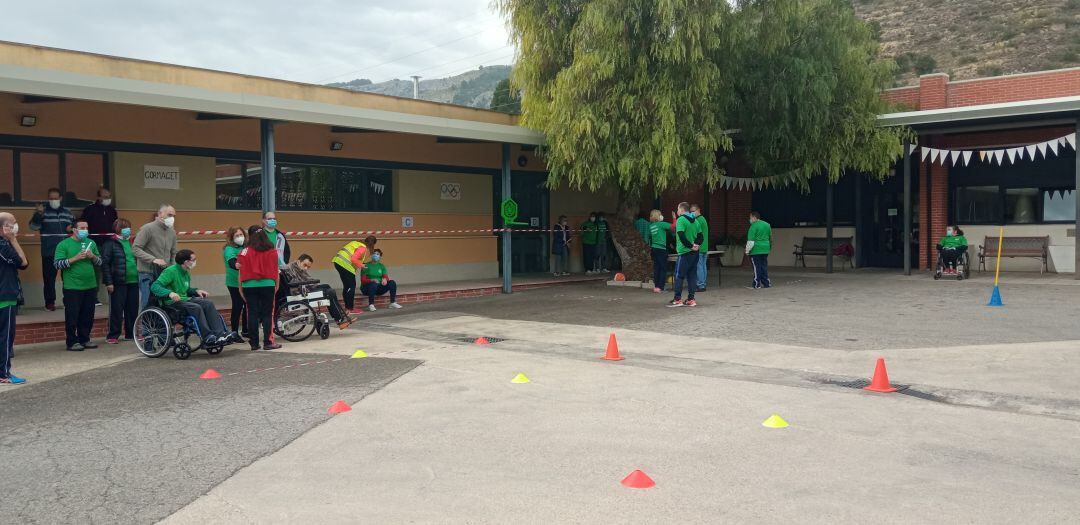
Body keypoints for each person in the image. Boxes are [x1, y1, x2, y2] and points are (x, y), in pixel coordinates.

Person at [151, 249, 237, 347]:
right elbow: (155, 287)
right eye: (193, 259)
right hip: (172, 303)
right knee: (196, 307)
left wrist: (196, 291)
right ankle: (207, 336)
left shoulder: (185, 272)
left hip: (184, 299)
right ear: (186, 262)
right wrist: (170, 293)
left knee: (208, 304)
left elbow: (185, 290)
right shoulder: (170, 271)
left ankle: (220, 335)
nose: (195, 262)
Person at [54, 220, 102, 351]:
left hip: (90, 285)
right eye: (82, 228)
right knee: (72, 315)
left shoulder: (91, 243)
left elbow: (100, 262)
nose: (85, 230)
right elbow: (57, 264)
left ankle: (85, 339)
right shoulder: (63, 244)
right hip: (72, 287)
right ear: (74, 230)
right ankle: (71, 342)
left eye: (86, 227)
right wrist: (74, 258)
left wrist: (92, 257)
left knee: (88, 314)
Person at [29, 187, 74, 310]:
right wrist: (38, 214)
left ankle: (69, 301)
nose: (53, 200)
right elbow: (33, 227)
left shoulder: (67, 212)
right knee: (49, 279)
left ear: (60, 198)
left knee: (69, 278)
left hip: (67, 252)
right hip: (49, 251)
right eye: (51, 198)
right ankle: (50, 303)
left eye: (55, 198)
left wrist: (71, 228)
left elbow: (74, 227)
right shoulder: (43, 211)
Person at [237, 226, 281, 351]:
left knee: (252, 314)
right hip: (268, 284)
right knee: (267, 314)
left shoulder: (244, 251)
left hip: (249, 285)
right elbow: (275, 270)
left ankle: (254, 343)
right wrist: (276, 284)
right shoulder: (272, 251)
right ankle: (268, 342)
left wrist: (240, 288)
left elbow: (240, 272)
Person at [282, 254, 353, 329]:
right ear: (299, 261)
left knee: (327, 286)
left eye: (308, 267)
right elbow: (296, 285)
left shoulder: (297, 267)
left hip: (304, 289)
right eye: (305, 265)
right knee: (330, 292)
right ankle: (340, 319)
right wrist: (312, 283)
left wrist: (312, 283)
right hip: (300, 294)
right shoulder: (291, 269)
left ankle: (341, 316)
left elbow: (306, 279)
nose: (306, 268)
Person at [0, 212, 29, 384]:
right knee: (5, 337)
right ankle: (4, 373)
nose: (15, 226)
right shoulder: (3, 245)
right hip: (5, 296)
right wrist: (13, 240)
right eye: (13, 223)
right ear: (4, 227)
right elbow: (23, 262)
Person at [100, 218, 139, 344]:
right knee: (116, 309)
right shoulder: (110, 243)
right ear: (117, 229)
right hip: (118, 282)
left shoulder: (133, 242)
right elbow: (105, 264)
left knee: (132, 309)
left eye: (128, 227)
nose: (128, 230)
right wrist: (109, 282)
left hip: (134, 281)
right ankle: (113, 335)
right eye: (124, 227)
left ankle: (130, 333)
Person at [133, 204, 178, 310]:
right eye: (170, 215)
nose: (172, 218)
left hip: (164, 273)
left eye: (174, 216)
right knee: (148, 303)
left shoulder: (172, 232)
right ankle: (146, 326)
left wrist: (172, 269)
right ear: (160, 214)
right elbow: (135, 249)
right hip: (147, 272)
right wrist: (153, 259)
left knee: (164, 302)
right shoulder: (147, 228)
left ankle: (161, 326)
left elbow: (174, 252)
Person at [668, 202, 701, 307]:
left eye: (678, 209)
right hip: (695, 253)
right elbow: (701, 236)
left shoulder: (681, 220)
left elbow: (681, 236)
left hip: (684, 252)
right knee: (692, 276)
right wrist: (696, 245)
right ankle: (691, 299)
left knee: (679, 276)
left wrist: (690, 246)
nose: (677, 211)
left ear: (681, 210)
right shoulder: (695, 221)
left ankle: (677, 299)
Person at [332, 235, 377, 314]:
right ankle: (350, 309)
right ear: (372, 245)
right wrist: (362, 266)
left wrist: (360, 263)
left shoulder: (355, 243)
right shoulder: (363, 248)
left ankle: (348, 308)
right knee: (351, 286)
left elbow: (352, 257)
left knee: (347, 286)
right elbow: (353, 259)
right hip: (345, 265)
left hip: (338, 262)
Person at [223, 226, 248, 342]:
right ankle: (234, 332)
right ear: (231, 238)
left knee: (247, 305)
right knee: (238, 306)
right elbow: (231, 262)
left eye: (241, 235)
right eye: (237, 236)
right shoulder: (229, 249)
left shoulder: (245, 247)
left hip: (246, 281)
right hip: (234, 283)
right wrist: (237, 265)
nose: (240, 237)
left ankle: (246, 330)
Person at [746, 211, 773, 289]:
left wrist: (747, 251)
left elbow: (750, 241)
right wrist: (769, 247)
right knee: (763, 266)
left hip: (756, 249)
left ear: (754, 217)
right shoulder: (767, 225)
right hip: (765, 248)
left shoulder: (753, 226)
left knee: (756, 267)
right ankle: (766, 283)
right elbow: (770, 237)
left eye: (750, 217)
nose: (750, 219)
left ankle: (756, 284)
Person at [647, 209, 670, 293]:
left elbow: (649, 236)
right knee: (663, 268)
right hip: (661, 249)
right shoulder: (661, 224)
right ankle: (661, 287)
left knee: (656, 268)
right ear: (658, 216)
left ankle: (656, 287)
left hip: (654, 248)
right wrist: (675, 218)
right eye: (660, 214)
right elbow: (673, 226)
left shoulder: (651, 226)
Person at [690, 204, 710, 292]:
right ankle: (703, 284)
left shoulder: (698, 220)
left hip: (699, 246)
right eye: (690, 211)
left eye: (693, 211)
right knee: (703, 266)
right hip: (704, 246)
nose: (692, 213)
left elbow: (694, 233)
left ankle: (700, 285)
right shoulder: (703, 219)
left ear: (698, 210)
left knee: (699, 267)